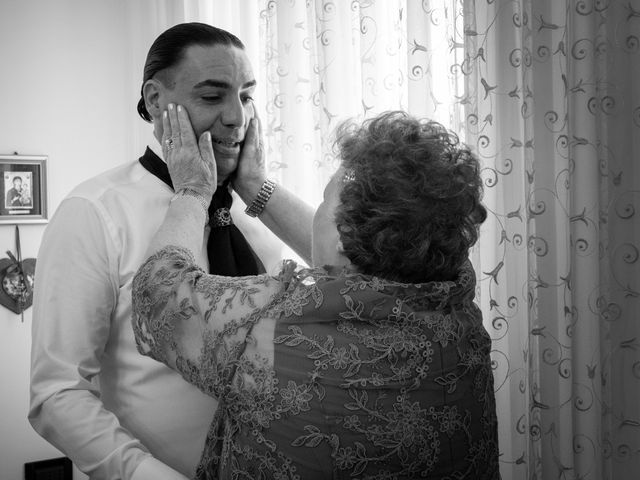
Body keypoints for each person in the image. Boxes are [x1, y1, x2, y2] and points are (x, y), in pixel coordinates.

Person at [132, 108, 500, 479]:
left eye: (325, 199)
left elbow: (158, 294)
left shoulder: (273, 327)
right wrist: (256, 187)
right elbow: (357, 263)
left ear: (341, 233)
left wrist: (193, 192)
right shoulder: (456, 303)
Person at [28, 23, 304, 480]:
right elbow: (57, 394)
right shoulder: (95, 213)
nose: (237, 117)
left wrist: (257, 189)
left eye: (247, 95)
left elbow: (354, 283)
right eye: (213, 97)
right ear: (156, 101)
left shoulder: (264, 214)